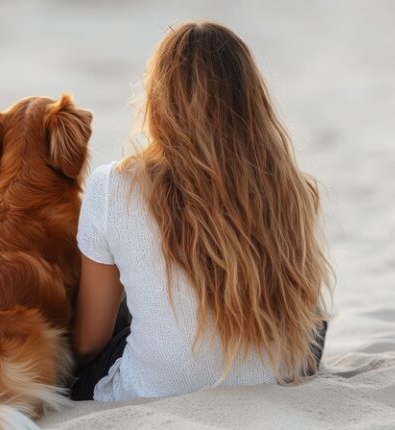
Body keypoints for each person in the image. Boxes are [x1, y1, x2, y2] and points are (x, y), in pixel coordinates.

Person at [70, 21, 333, 402]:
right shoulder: (287, 185)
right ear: (250, 98)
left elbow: (89, 343)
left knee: (123, 305)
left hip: (150, 389)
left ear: (159, 98)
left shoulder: (113, 187)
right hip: (279, 376)